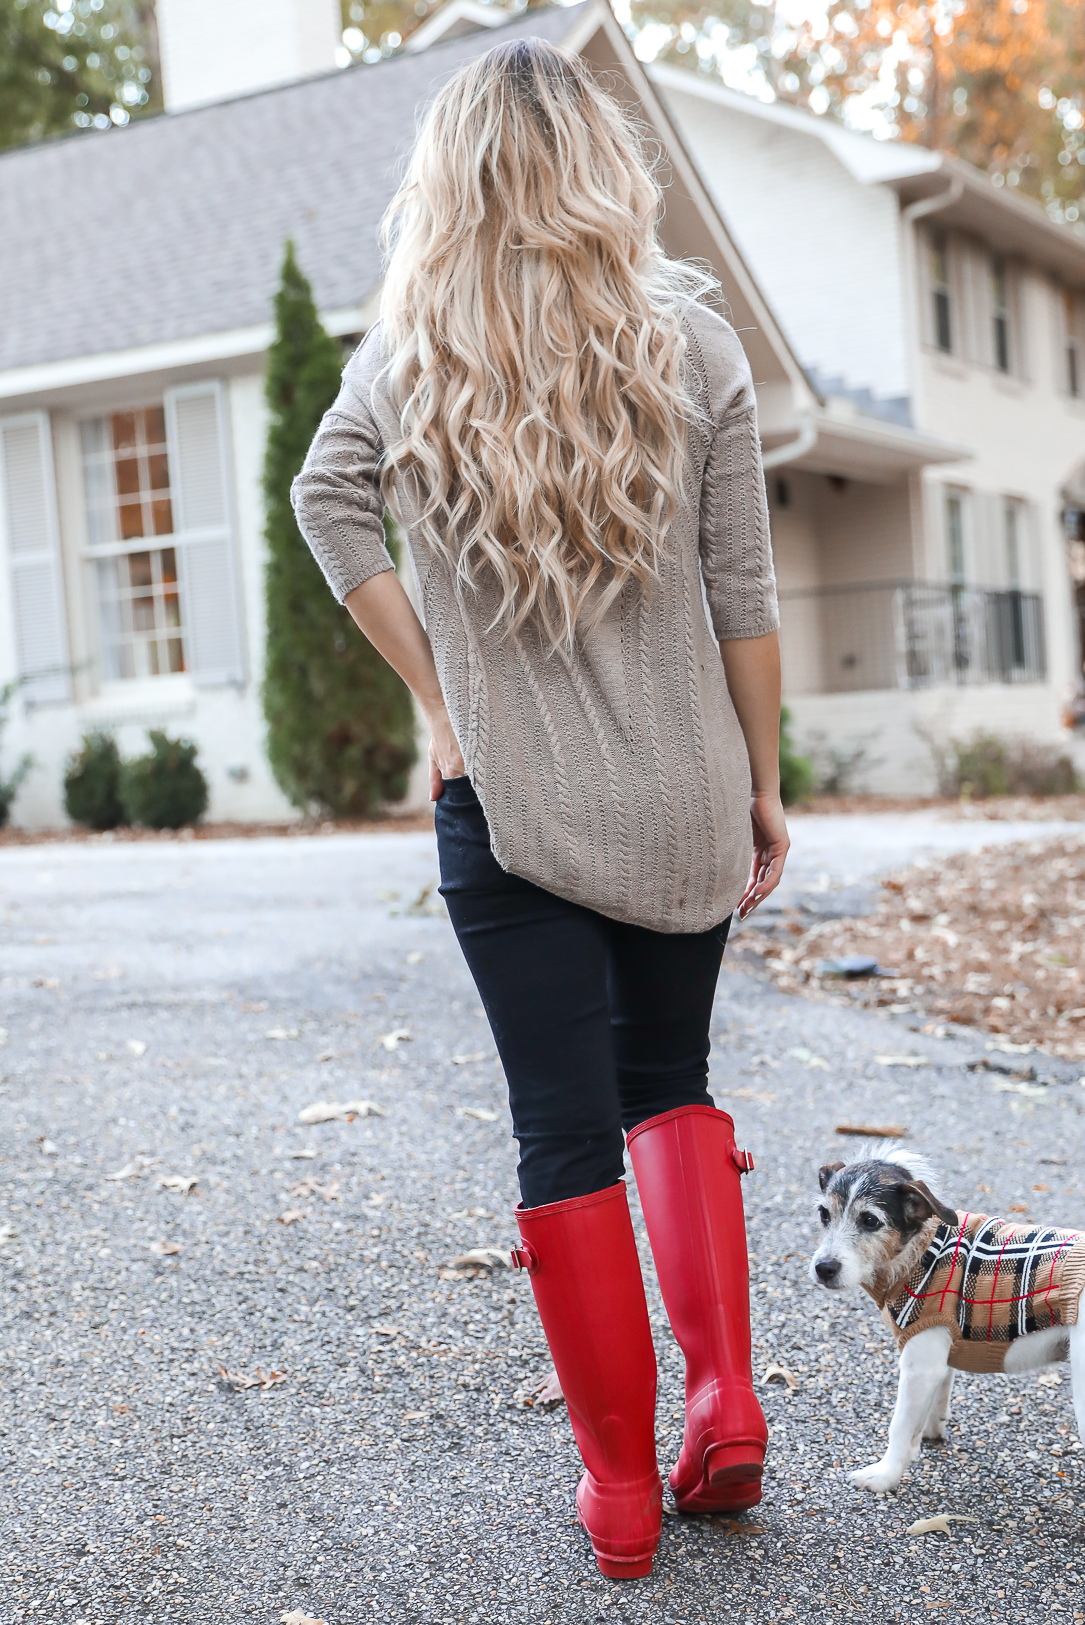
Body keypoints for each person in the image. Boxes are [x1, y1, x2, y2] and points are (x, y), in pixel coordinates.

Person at [291, 38, 788, 1581]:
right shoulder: (695, 346)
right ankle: (724, 1406)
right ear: (600, 168)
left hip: (504, 808)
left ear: (451, 182)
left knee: (561, 1123)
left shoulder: (411, 354)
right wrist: (764, 785)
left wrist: (441, 703)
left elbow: (325, 497)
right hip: (681, 794)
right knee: (672, 1081)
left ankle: (623, 1495)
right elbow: (744, 597)